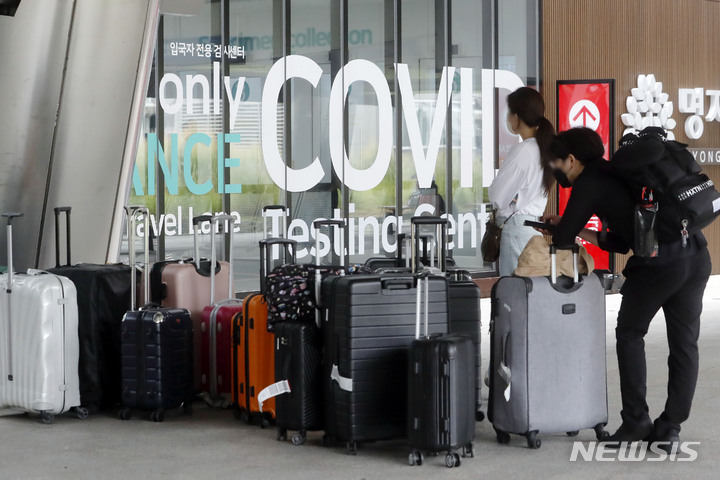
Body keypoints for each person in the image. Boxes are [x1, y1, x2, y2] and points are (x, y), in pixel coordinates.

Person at [539, 127, 711, 452]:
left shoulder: (589, 181)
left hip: (660, 265)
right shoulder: (619, 174)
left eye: (557, 164)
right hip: (695, 254)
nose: (556, 171)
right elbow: (621, 241)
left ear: (571, 159)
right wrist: (579, 230)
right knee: (684, 344)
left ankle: (636, 420)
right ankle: (669, 428)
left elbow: (561, 241)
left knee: (630, 334)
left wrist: (562, 227)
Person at [488, 87, 555, 276]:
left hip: (515, 230)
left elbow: (497, 197)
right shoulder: (544, 148)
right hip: (532, 230)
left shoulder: (523, 151)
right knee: (529, 294)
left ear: (517, 116)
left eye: (509, 112)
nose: (508, 118)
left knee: (513, 295)